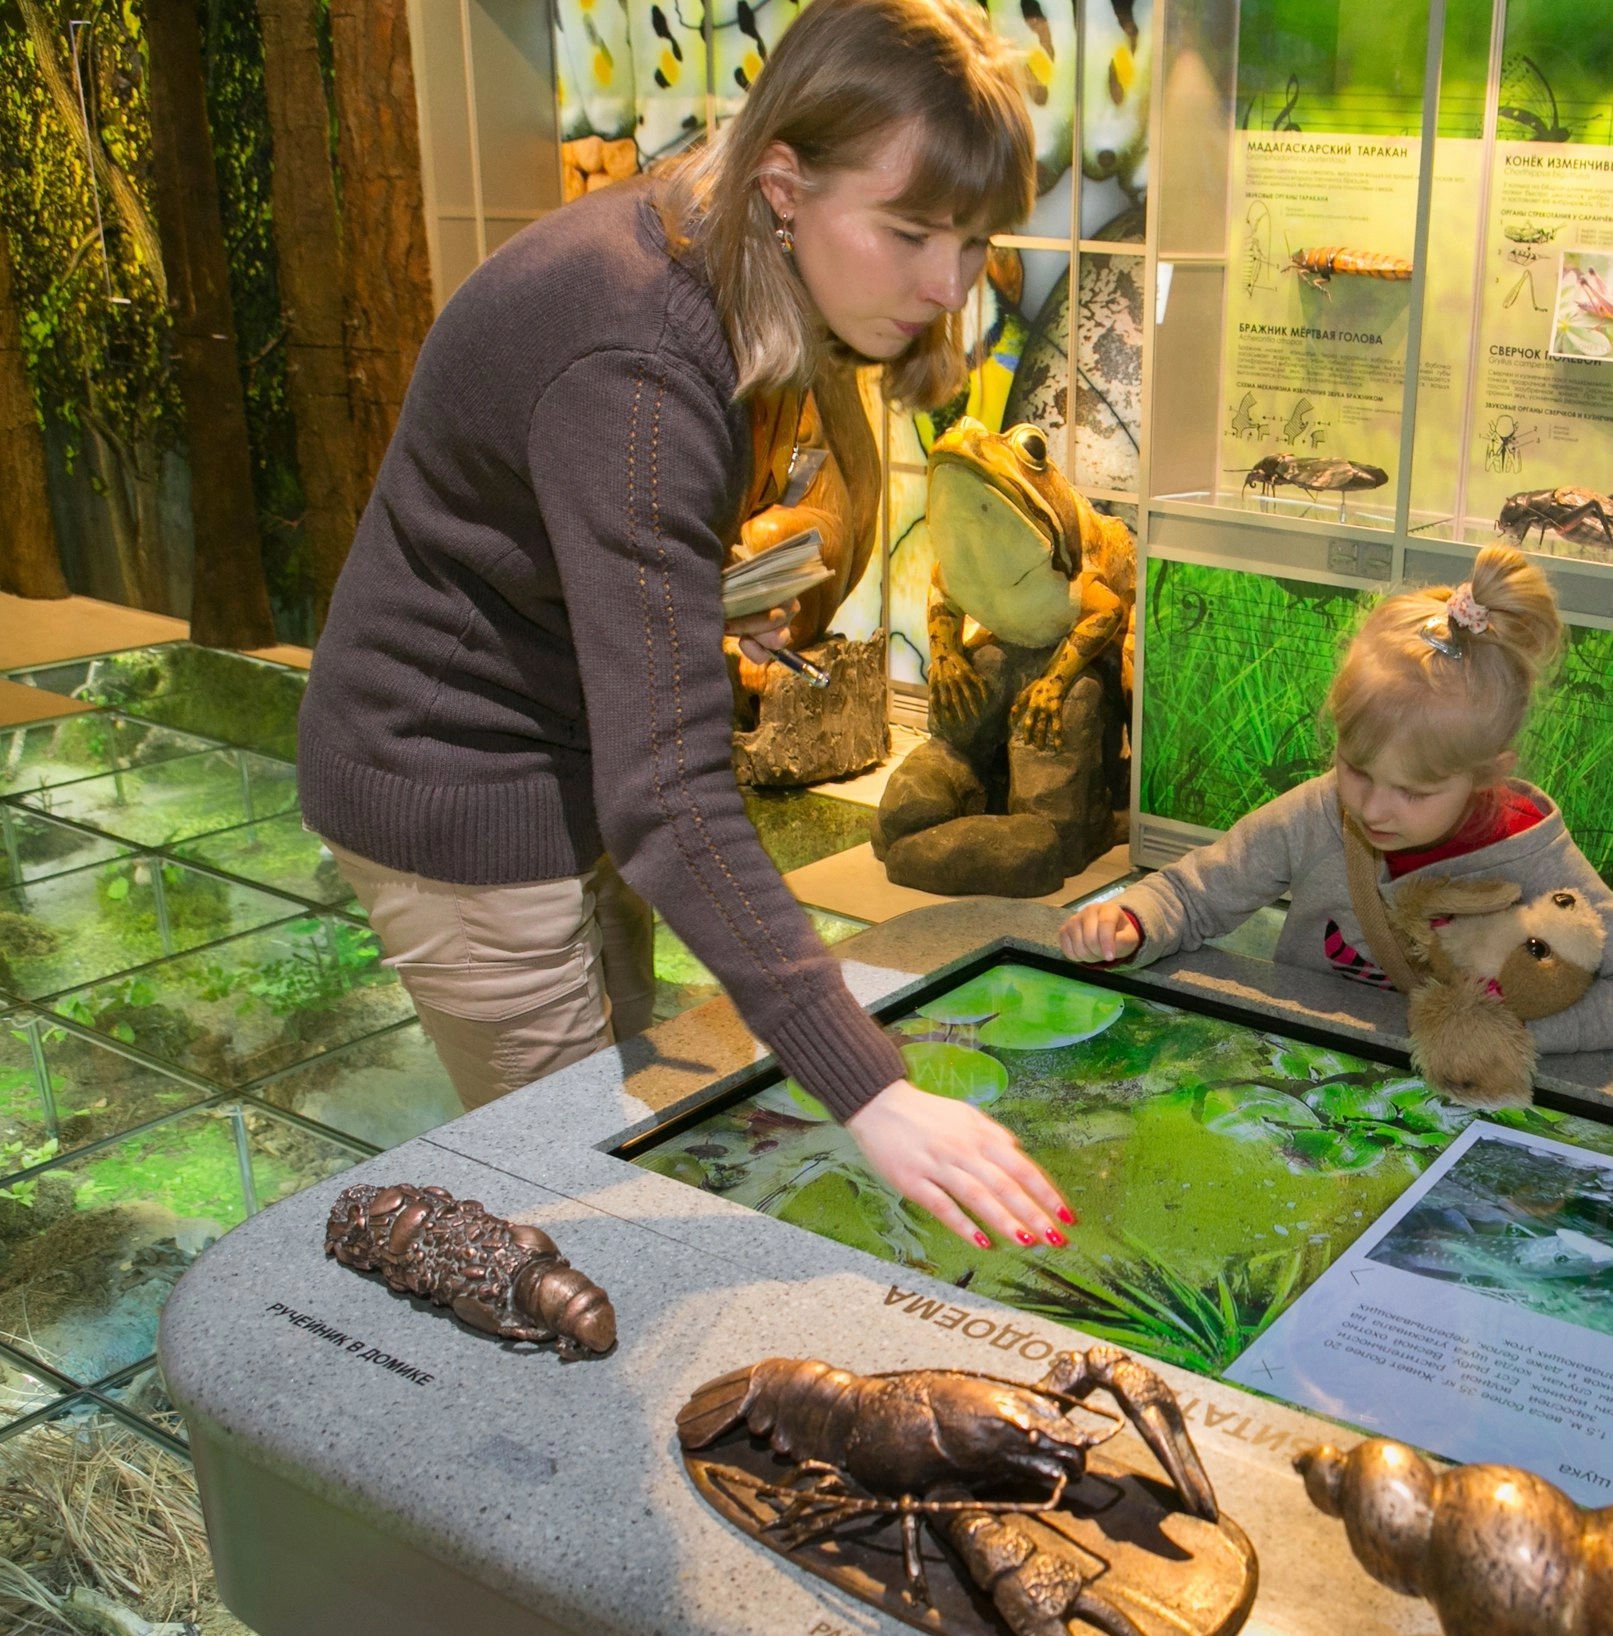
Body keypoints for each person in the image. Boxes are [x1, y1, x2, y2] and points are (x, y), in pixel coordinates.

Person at [299, 0, 1070, 1252]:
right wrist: (872, 1090)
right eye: (911, 232)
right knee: (571, 1189)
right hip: (451, 770)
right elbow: (669, 791)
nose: (947, 285)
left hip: (569, 748)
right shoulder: (640, 354)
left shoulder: (721, 246)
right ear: (783, 181)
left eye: (974, 240)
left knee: (629, 1084)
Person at [1060, 545, 1613, 1056]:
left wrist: (1503, 1038)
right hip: (1306, 1061)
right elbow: (1192, 895)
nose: (1374, 809)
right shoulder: (1317, 810)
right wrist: (1132, 919)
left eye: (1415, 791)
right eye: (1357, 769)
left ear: (1488, 774)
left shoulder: (1531, 853)